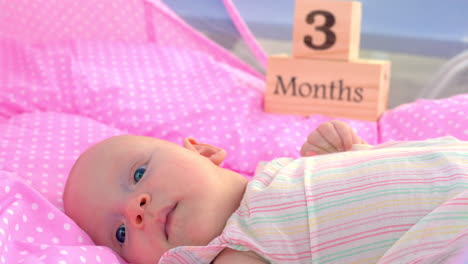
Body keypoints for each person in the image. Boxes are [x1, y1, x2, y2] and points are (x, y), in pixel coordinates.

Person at [63, 120, 468, 264]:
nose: (136, 208)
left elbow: (367, 183)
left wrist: (343, 154)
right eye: (120, 234)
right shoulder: (237, 251)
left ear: (203, 151)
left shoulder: (280, 173)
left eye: (139, 173)